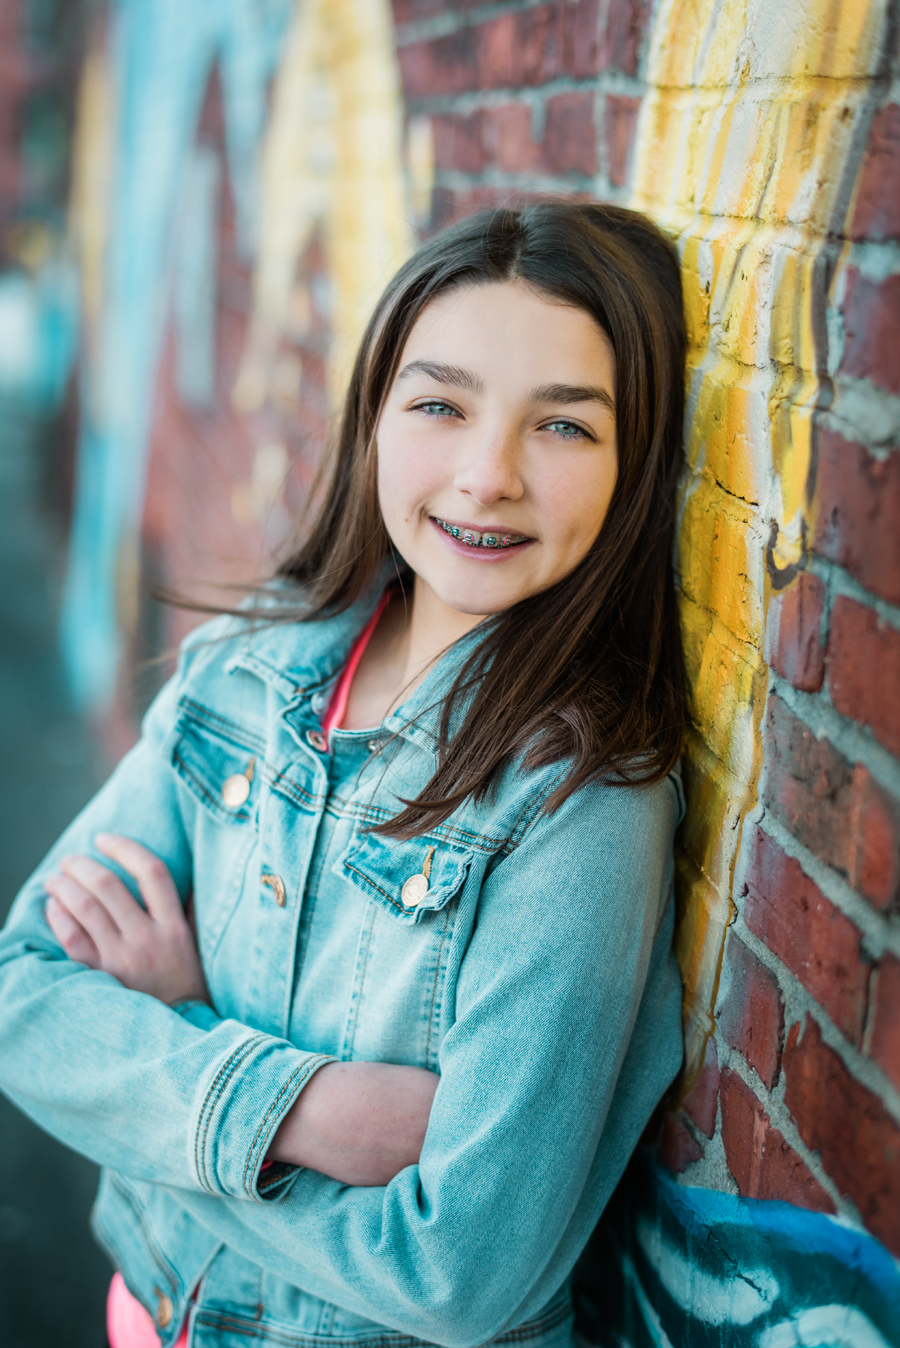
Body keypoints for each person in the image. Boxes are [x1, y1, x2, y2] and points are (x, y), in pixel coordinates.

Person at [0, 202, 687, 1348]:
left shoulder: (580, 804)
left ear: (635, 465)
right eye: (438, 405)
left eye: (564, 428)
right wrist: (308, 1108)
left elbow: (458, 1273)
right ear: (374, 419)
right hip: (148, 1314)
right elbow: (23, 999)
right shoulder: (241, 680)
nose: (487, 475)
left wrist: (159, 1056)